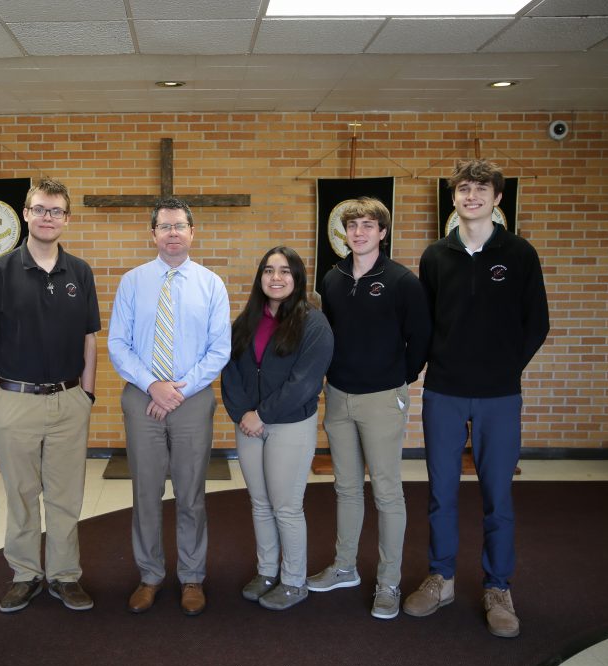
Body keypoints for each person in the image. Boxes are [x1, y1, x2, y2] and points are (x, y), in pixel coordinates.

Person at [403, 160, 549, 638]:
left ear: (497, 199)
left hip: (499, 396)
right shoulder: (435, 256)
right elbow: (425, 324)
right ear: (454, 199)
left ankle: (498, 586)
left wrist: (506, 369)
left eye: (481, 189)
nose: (472, 196)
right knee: (441, 493)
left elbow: (537, 323)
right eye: (464, 189)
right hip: (444, 391)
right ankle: (441, 578)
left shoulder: (520, 254)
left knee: (497, 496)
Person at [0, 178, 100, 613]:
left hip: (69, 401)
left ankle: (65, 575)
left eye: (57, 211)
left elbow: (89, 339)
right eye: (40, 209)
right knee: (22, 494)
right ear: (25, 214)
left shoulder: (79, 272)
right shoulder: (0, 271)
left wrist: (86, 394)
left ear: (66, 218)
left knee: (66, 495)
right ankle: (25, 573)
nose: (48, 217)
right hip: (16, 400)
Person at [306, 198, 431, 619]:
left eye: (367, 225)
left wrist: (398, 379)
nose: (359, 232)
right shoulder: (333, 278)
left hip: (382, 397)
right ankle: (345, 567)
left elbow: (421, 338)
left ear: (382, 232)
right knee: (345, 487)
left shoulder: (401, 281)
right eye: (352, 226)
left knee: (387, 490)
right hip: (339, 395)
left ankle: (389, 582)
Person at [108, 197, 231, 616]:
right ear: (153, 235)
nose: (173, 233)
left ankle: (192, 577)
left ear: (192, 233)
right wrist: (152, 385)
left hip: (192, 399)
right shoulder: (132, 282)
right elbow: (117, 345)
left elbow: (220, 350)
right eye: (165, 226)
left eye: (180, 226)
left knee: (191, 492)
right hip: (142, 396)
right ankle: (150, 575)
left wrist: (177, 390)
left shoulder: (212, 284)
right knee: (145, 491)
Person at [221, 246, 333, 611]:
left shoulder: (313, 323)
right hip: (249, 424)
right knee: (259, 503)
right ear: (261, 278)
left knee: (286, 506)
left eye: (285, 271)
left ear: (297, 278)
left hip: (289, 425)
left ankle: (294, 580)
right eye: (269, 270)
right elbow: (231, 369)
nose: (276, 277)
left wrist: (261, 414)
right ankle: (267, 571)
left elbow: (304, 381)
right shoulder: (247, 320)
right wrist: (242, 413)